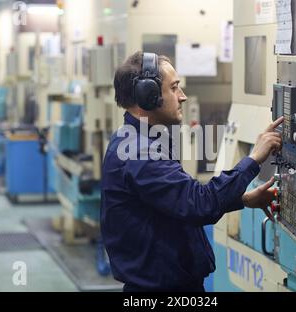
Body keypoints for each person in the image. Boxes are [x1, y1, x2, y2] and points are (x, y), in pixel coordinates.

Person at [101, 51, 283, 292]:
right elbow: (198, 204)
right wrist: (253, 159)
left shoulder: (140, 141)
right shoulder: (139, 153)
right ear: (148, 95)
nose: (183, 97)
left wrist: (242, 199)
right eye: (174, 88)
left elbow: (175, 204)